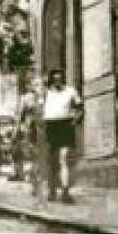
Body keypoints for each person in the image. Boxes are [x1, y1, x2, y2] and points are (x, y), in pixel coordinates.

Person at [40, 69, 83, 204]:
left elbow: (80, 108)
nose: (57, 82)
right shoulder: (46, 93)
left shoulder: (71, 91)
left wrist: (76, 120)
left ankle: (65, 191)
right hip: (51, 125)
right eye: (55, 79)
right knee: (52, 160)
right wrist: (40, 126)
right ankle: (52, 190)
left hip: (65, 125)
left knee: (64, 158)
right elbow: (40, 109)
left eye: (60, 79)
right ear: (51, 80)